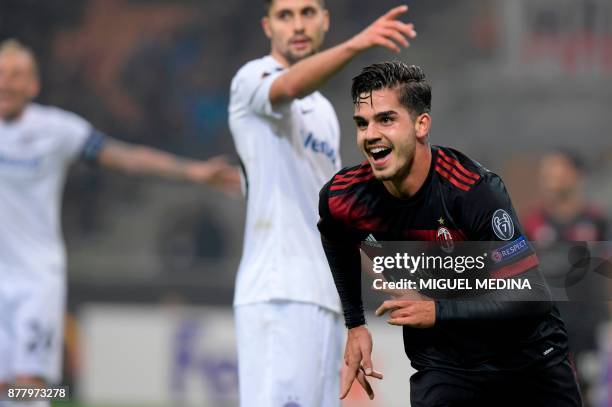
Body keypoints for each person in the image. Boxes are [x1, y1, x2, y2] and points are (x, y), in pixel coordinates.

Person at [317, 61, 582, 406]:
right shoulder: (344, 195)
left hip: (528, 361)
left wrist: (437, 311)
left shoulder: (472, 190)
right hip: (446, 366)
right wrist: (355, 323)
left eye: (386, 119)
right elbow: (335, 235)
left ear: (421, 124)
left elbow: (532, 295)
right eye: (362, 123)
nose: (370, 135)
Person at [0, 38, 239, 406]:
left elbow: (126, 157)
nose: (6, 83)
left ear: (33, 85)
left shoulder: (56, 130)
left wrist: (193, 171)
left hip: (35, 277)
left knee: (28, 384)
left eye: (16, 75)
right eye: (1, 75)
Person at [228, 1, 416, 405]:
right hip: (278, 293)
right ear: (268, 26)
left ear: (325, 21)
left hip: (324, 300)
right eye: (285, 15)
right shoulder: (253, 77)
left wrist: (392, 275)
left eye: (308, 12)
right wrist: (358, 44)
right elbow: (290, 87)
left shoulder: (325, 114)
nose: (298, 24)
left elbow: (337, 218)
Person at [523, 150, 610, 406]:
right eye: (546, 172)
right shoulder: (532, 222)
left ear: (577, 175)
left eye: (558, 171)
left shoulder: (597, 221)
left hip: (589, 327)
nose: (550, 178)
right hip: (547, 327)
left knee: (590, 394)